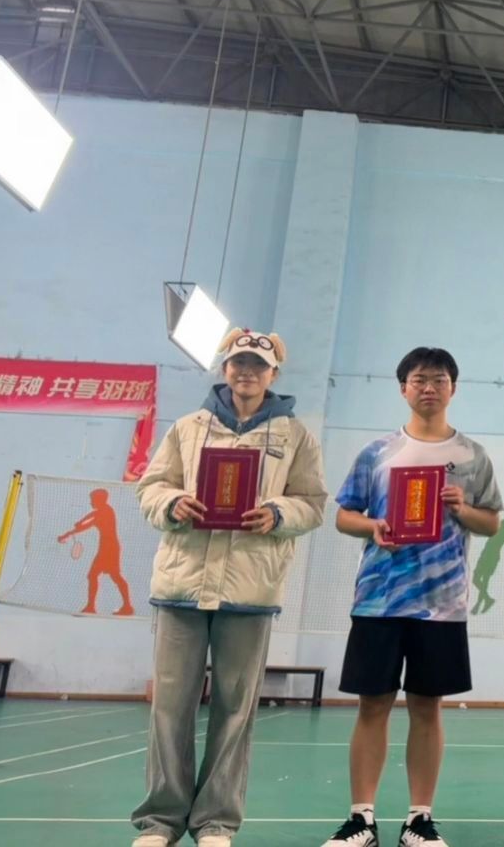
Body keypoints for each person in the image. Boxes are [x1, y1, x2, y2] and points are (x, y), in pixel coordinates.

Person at [132, 329, 327, 847]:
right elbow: (151, 486)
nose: (247, 372)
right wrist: (170, 503)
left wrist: (278, 513)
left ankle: (216, 821)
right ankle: (160, 821)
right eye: (239, 362)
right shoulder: (187, 428)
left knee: (236, 710)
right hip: (181, 584)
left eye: (258, 365)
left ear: (273, 374)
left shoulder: (296, 437)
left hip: (250, 590)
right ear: (225, 369)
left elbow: (312, 503)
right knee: (169, 707)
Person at [322, 347, 504, 847]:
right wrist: (373, 527)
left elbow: (491, 522)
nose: (429, 387)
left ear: (453, 388)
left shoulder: (472, 456)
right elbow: (343, 515)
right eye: (419, 379)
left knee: (428, 708)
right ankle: (361, 820)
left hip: (442, 605)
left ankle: (419, 820)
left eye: (439, 379)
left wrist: (463, 509)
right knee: (372, 706)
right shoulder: (377, 452)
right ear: (403, 388)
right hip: (378, 601)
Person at [58, 486, 136, 615]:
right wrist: (81, 521)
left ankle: (96, 606)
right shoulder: (105, 510)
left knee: (100, 575)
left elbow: (88, 524)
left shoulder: (104, 512)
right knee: (109, 576)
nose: (91, 502)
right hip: (107, 547)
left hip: (109, 549)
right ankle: (123, 606)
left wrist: (67, 534)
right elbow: (91, 515)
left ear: (99, 500)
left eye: (92, 499)